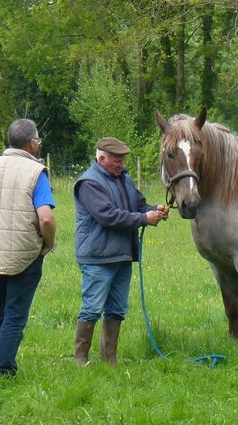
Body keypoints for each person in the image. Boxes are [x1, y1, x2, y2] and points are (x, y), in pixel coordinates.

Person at [72, 137, 169, 365]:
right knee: (92, 309)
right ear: (101, 159)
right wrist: (144, 218)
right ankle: (80, 360)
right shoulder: (89, 183)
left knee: (117, 309)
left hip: (122, 255)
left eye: (123, 160)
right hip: (98, 257)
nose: (122, 165)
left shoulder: (124, 178)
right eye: (117, 160)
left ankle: (109, 360)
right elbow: (107, 216)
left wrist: (154, 209)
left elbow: (138, 205)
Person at [0, 118, 57, 377]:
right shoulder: (36, 172)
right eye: (37, 140)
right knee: (14, 317)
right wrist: (49, 243)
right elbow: (45, 218)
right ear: (32, 143)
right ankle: (5, 371)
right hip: (24, 254)